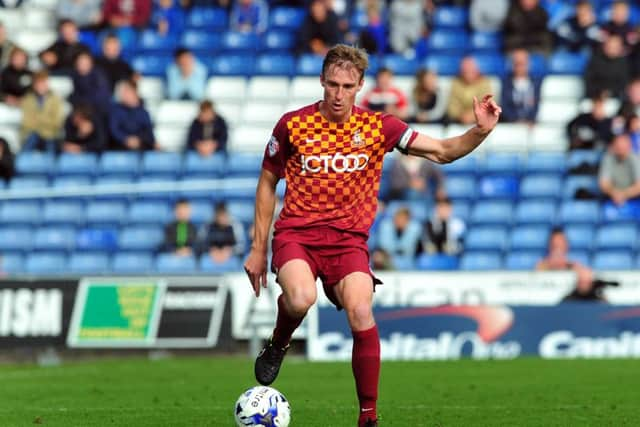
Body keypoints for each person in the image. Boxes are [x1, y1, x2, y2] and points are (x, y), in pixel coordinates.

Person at [243, 44, 501, 427]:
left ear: (360, 85)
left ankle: (368, 417)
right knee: (300, 299)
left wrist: (479, 131)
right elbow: (267, 182)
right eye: (332, 84)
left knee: (362, 309)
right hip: (298, 234)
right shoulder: (292, 125)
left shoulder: (380, 127)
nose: (338, 93)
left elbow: (444, 151)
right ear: (321, 81)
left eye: (347, 86)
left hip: (349, 242)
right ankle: (279, 342)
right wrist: (257, 248)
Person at [20, 71, 64, 154]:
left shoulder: (55, 99)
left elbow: (57, 122)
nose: (41, 86)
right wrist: (44, 122)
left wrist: (38, 121)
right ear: (34, 85)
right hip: (32, 134)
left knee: (50, 144)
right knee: (28, 145)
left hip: (50, 134)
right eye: (38, 84)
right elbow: (26, 122)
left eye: (43, 83)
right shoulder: (27, 99)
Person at [108, 79, 156, 150]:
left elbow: (148, 132)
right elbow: (114, 130)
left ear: (134, 93)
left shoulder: (143, 112)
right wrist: (125, 139)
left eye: (127, 92)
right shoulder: (115, 111)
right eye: (123, 93)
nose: (125, 95)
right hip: (120, 148)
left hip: (141, 147)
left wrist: (138, 140)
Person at [446, 56, 492, 124]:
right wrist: (461, 115)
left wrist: (473, 116)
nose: (468, 72)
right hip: (459, 122)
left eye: (470, 69)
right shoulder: (456, 83)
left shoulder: (485, 83)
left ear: (476, 69)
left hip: (481, 122)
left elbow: (487, 104)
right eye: (465, 70)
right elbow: (452, 106)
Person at [500, 49, 541, 124]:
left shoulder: (536, 82)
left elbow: (536, 104)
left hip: (530, 125)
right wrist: (515, 120)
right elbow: (505, 106)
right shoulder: (506, 82)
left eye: (522, 64)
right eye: (517, 64)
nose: (519, 67)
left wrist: (530, 120)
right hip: (511, 124)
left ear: (528, 64)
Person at [598, 133, 640, 206]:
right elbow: (603, 184)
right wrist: (614, 193)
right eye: (618, 146)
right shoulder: (608, 158)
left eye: (623, 146)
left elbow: (638, 186)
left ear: (629, 146)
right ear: (614, 146)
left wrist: (623, 194)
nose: (620, 148)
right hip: (612, 198)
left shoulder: (636, 159)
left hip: (634, 198)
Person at [584, 35, 630, 99]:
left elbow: (624, 83)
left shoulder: (624, 62)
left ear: (620, 48)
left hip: (616, 97)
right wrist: (599, 93)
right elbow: (588, 80)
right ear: (604, 46)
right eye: (609, 46)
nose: (612, 49)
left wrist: (610, 93)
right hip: (595, 97)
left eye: (615, 47)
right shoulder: (595, 60)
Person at [69, 51, 112, 118]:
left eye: (85, 63)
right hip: (82, 110)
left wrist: (83, 102)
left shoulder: (98, 75)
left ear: (91, 63)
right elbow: (74, 96)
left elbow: (101, 96)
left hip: (99, 111)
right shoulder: (75, 77)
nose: (82, 65)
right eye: (80, 63)